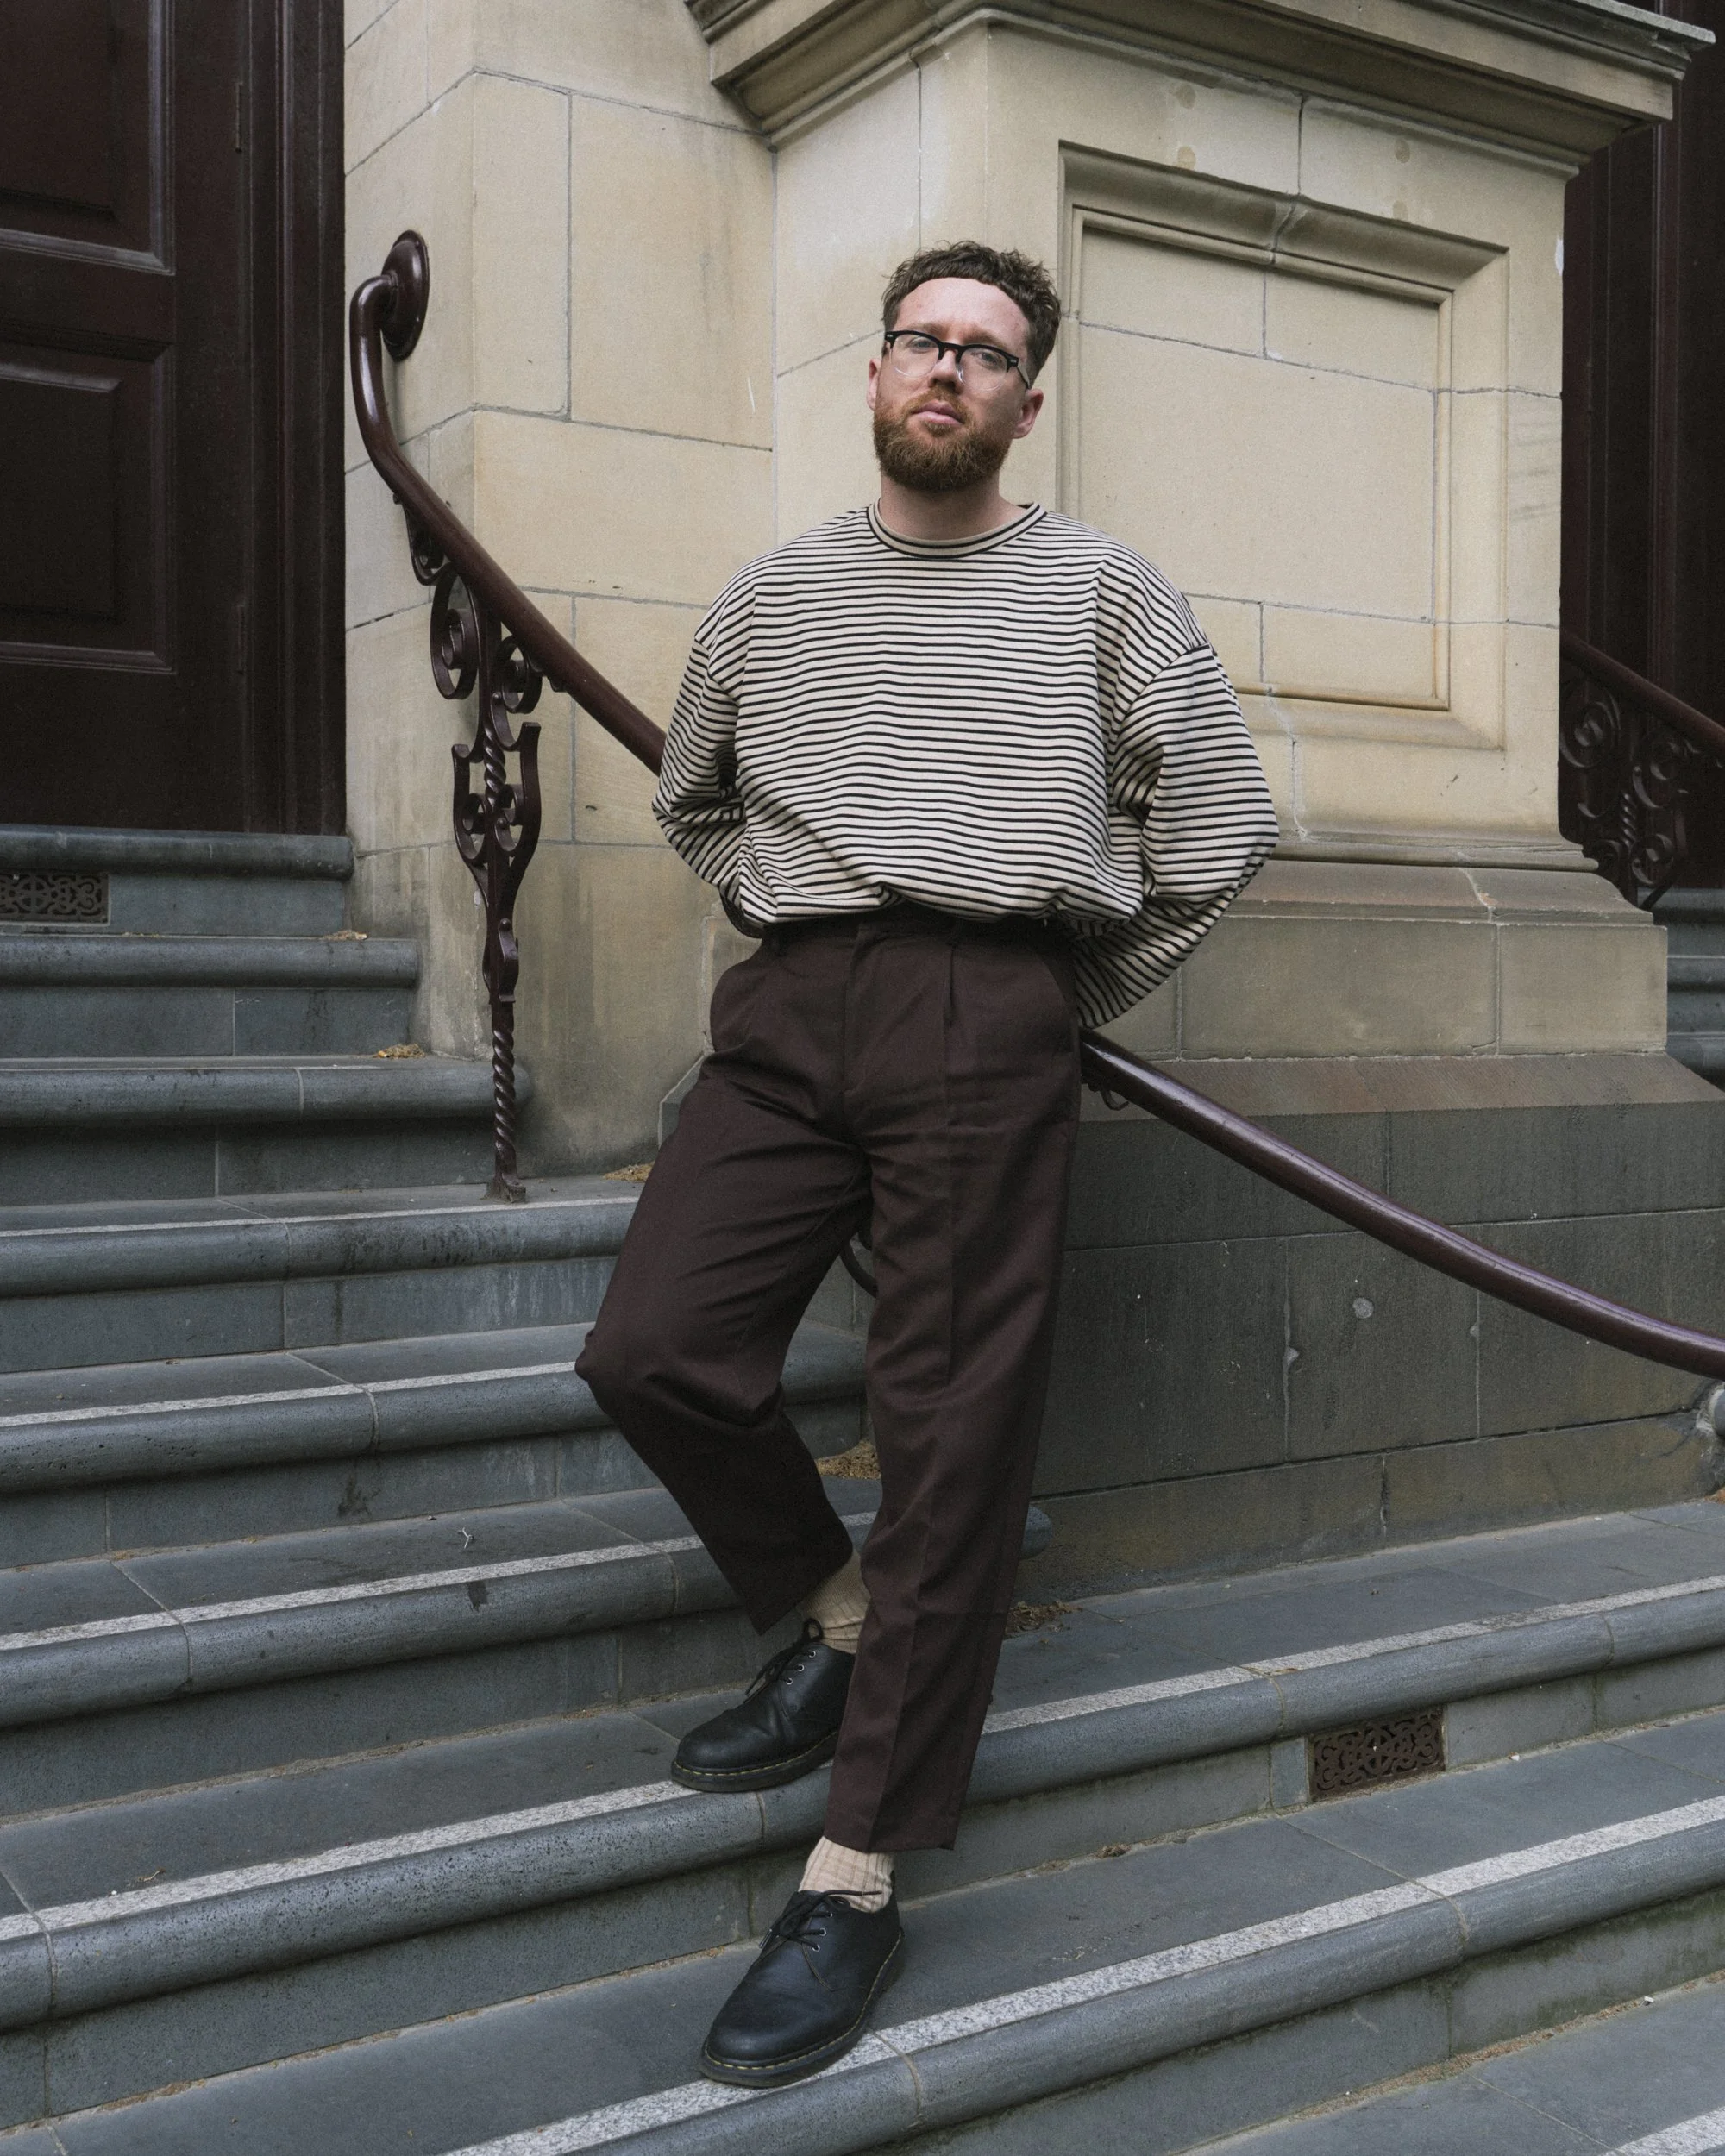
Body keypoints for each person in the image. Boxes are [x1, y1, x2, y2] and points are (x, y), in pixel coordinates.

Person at [575, 240, 1279, 2087]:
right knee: (649, 1345)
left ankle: (857, 1868)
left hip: (991, 1005)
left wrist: (1060, 991)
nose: (948, 371)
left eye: (986, 351)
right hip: (792, 1003)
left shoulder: (1104, 591)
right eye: (922, 342)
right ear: (876, 373)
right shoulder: (773, 595)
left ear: (1026, 398)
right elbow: (692, 794)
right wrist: (791, 921)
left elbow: (1215, 827)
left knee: (953, 1435)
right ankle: (828, 1608)